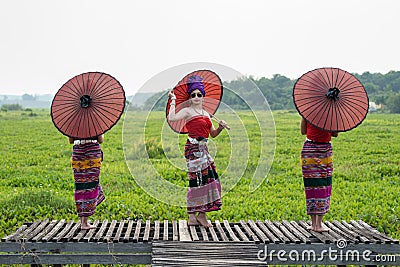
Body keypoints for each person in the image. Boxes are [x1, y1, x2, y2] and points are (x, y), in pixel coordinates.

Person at [168, 75, 229, 228]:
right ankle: (191, 215)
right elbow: (172, 118)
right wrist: (173, 100)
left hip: (204, 149)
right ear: (190, 97)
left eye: (199, 95)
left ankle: (202, 214)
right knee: (196, 181)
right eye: (193, 95)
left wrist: (220, 127)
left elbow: (212, 134)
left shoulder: (207, 114)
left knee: (210, 180)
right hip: (193, 149)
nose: (196, 97)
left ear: (203, 97)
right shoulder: (187, 111)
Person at [300, 118, 338, 232]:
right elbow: (335, 134)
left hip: (309, 150)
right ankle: (318, 224)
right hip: (323, 150)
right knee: (323, 184)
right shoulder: (331, 116)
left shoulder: (308, 114)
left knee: (311, 185)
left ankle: (313, 224)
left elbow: (303, 131)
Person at [69, 134, 105, 230]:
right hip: (92, 154)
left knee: (80, 186)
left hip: (78, 154)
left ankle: (83, 221)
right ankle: (85, 222)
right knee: (91, 185)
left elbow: (70, 140)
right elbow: (100, 140)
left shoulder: (73, 123)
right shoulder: (94, 121)